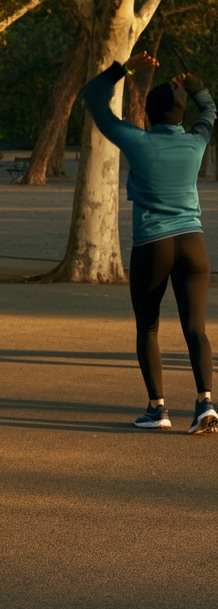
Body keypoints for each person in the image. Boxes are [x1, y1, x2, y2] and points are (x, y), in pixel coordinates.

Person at [83, 52, 217, 434]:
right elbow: (209, 113)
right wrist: (196, 88)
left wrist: (124, 69)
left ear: (147, 113)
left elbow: (92, 97)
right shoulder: (195, 143)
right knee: (197, 329)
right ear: (179, 112)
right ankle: (205, 402)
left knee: (149, 328)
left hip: (152, 246)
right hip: (193, 244)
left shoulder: (136, 140)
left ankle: (157, 409)